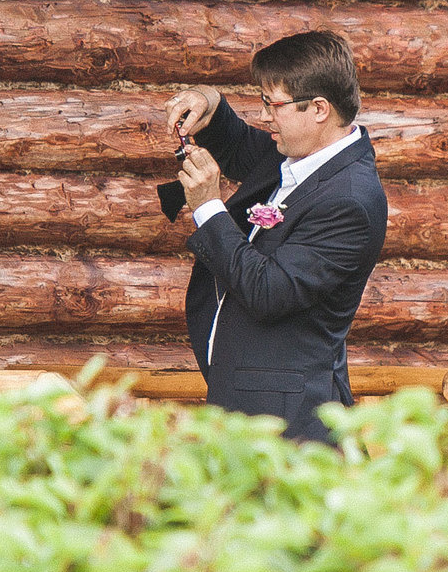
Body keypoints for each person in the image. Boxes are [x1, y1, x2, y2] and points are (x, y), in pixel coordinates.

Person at [161, 30, 388, 446]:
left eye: (273, 104)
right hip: (249, 408)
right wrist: (208, 100)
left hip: (289, 425)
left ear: (319, 109)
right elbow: (238, 142)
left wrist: (208, 207)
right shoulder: (297, 154)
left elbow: (269, 292)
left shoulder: (350, 200)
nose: (264, 116)